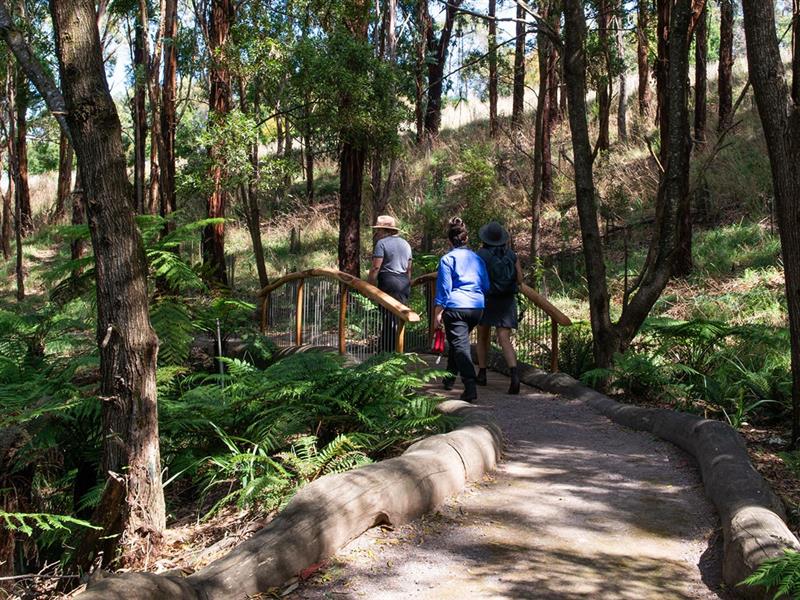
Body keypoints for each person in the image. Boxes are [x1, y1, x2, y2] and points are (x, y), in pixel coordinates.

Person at [434, 217, 490, 401]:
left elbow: (444, 290)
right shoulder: (477, 259)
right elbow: (486, 285)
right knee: (458, 342)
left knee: (460, 346)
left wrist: (438, 313)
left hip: (456, 307)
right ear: (466, 239)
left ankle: (470, 387)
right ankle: (449, 379)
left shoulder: (447, 259)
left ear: (450, 241)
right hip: (477, 308)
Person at [475, 221, 523, 394]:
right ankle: (514, 375)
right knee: (504, 339)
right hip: (507, 300)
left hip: (488, 299)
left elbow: (477, 277)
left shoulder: (481, 254)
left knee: (482, 336)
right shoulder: (511, 254)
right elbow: (520, 278)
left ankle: (482, 373)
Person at [367, 215, 413, 352]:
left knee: (388, 317)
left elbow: (376, 267)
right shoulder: (406, 244)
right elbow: (409, 269)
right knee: (398, 318)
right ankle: (397, 350)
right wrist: (408, 283)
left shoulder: (381, 244)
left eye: (379, 230)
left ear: (385, 230)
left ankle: (387, 352)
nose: (377, 232)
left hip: (388, 281)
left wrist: (369, 286)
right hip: (403, 282)